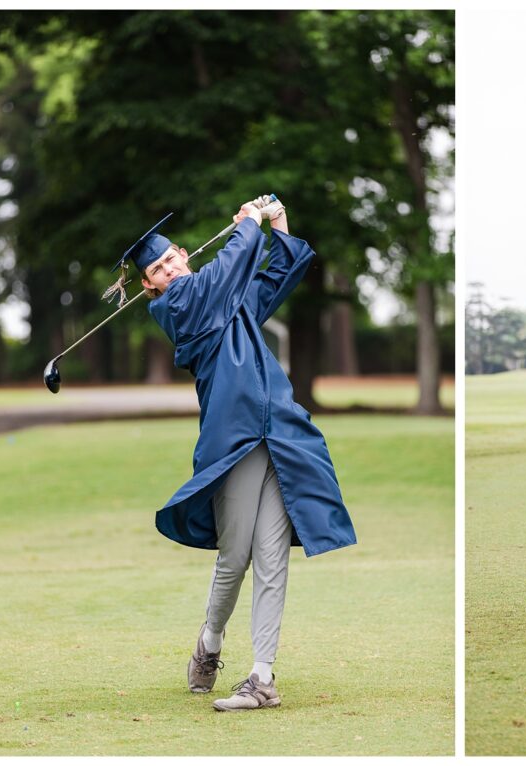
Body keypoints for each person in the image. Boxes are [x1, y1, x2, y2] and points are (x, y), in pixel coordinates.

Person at [114, 197, 357, 710]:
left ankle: (262, 678)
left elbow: (272, 277)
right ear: (149, 286)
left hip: (278, 435)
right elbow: (231, 263)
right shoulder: (179, 305)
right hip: (234, 441)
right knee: (235, 556)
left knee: (272, 558)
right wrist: (248, 222)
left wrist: (279, 223)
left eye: (172, 258)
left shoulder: (225, 296)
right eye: (158, 269)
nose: (170, 268)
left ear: (183, 253)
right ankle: (210, 644)